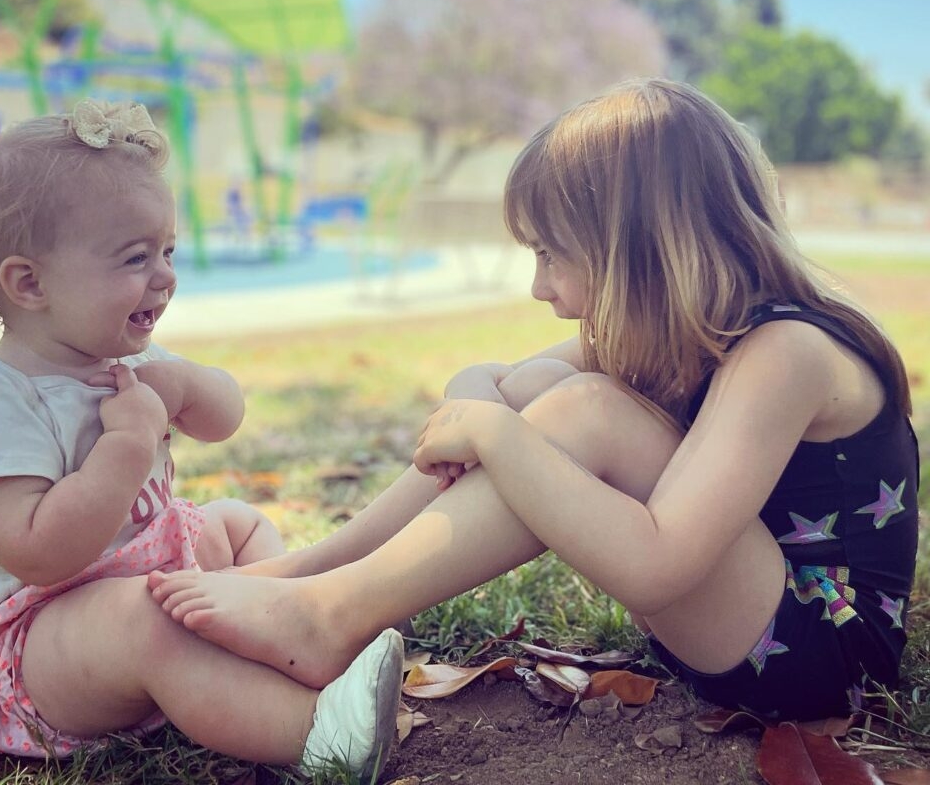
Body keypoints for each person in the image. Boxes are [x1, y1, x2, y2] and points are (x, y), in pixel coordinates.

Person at [149, 78, 920, 721]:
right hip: (744, 622)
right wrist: (483, 409)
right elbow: (500, 383)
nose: (538, 286)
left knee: (579, 409)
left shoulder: (786, 351)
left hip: (820, 651)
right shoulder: (679, 327)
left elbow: (655, 566)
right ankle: (312, 579)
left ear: (637, 249)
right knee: (549, 391)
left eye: (552, 253)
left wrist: (494, 432)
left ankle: (331, 615)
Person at [0, 100, 404, 778]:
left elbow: (224, 417)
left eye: (168, 250)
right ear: (29, 283)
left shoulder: (130, 360)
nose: (166, 275)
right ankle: (319, 738)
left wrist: (182, 387)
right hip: (44, 647)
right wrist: (123, 450)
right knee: (146, 619)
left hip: (150, 578)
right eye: (135, 257)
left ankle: (291, 642)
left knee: (235, 526)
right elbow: (38, 554)